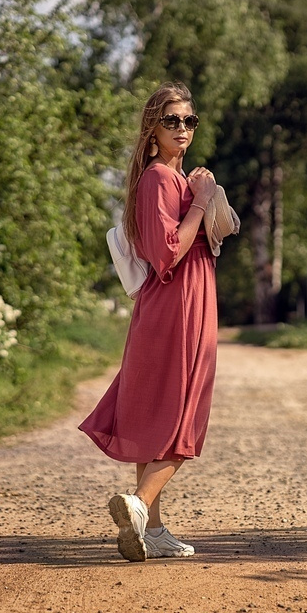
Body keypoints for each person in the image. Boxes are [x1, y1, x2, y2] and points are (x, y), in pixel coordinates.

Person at [79, 82, 219, 562]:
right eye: (172, 121)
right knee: (183, 411)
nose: (183, 129)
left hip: (169, 305)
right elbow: (169, 253)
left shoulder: (173, 180)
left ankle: (153, 529)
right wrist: (202, 199)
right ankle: (138, 506)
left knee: (157, 408)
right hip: (180, 303)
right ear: (151, 130)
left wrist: (198, 192)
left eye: (189, 121)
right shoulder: (160, 179)